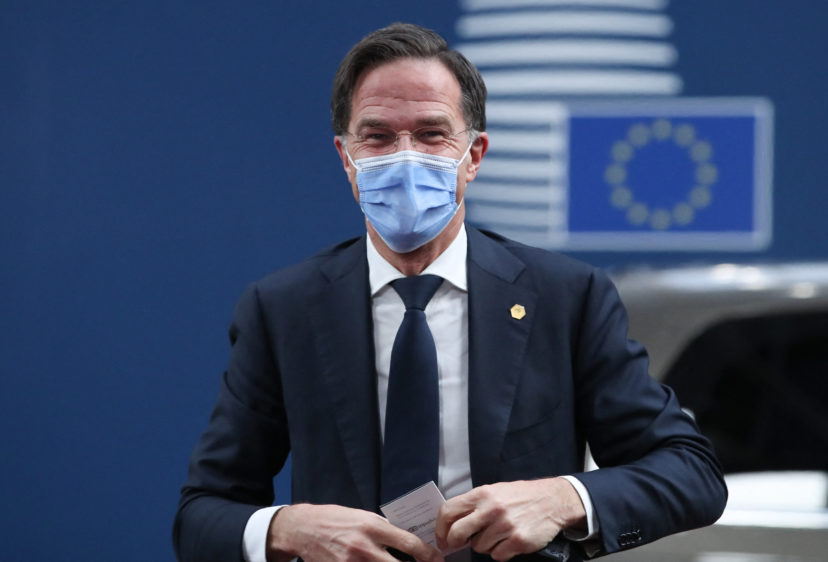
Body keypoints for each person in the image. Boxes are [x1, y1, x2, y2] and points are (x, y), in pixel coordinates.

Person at [173, 23, 727, 562]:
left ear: (474, 156)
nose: (405, 157)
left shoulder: (565, 298)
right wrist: (288, 529)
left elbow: (690, 473)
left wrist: (561, 499)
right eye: (378, 136)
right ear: (347, 158)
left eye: (432, 134)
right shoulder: (285, 309)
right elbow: (202, 515)